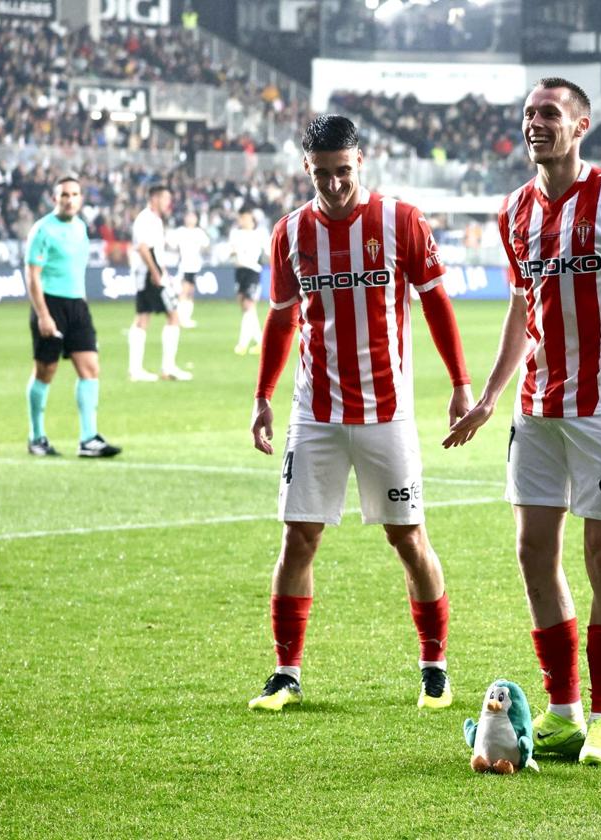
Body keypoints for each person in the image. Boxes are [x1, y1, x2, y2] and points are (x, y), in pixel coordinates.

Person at [443, 78, 601, 767]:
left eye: (548, 114)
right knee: (532, 553)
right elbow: (525, 308)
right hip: (537, 409)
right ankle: (563, 712)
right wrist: (491, 394)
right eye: (528, 115)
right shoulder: (515, 211)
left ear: (580, 125)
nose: (535, 125)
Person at [247, 114, 473, 713]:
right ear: (306, 168)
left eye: (343, 172)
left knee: (408, 537)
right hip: (314, 413)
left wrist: (460, 383)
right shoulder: (291, 232)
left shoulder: (400, 221)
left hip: (387, 412)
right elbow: (280, 318)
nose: (335, 185)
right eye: (322, 174)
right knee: (299, 537)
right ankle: (286, 672)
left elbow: (436, 304)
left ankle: (434, 667)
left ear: (361, 161)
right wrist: (262, 396)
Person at [24, 176, 121, 458]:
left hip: (78, 306)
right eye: (64, 194)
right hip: (50, 305)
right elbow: (32, 275)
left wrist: (82, 306)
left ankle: (88, 439)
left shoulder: (80, 228)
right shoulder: (42, 229)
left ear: (81, 199)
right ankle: (36, 436)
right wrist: (43, 315)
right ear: (55, 199)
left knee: (90, 368)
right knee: (46, 371)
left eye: (75, 194)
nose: (69, 199)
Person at [127, 185, 192, 381]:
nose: (168, 203)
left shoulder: (153, 219)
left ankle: (137, 369)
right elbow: (143, 248)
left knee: (143, 318)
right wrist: (156, 273)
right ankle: (166, 368)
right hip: (149, 274)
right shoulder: (146, 219)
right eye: (165, 199)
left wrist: (163, 273)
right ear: (155, 198)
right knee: (172, 316)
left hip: (151, 273)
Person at [228, 207, 271, 355]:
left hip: (253, 271)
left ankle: (242, 344)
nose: (242, 221)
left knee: (248, 305)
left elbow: (268, 252)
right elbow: (231, 251)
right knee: (245, 307)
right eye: (241, 218)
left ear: (252, 220)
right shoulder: (235, 234)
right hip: (240, 271)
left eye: (245, 218)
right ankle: (261, 342)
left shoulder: (259, 234)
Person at [168, 210, 209, 328]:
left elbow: (206, 245)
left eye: (193, 217)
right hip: (184, 265)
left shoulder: (199, 232)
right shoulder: (180, 232)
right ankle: (180, 318)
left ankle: (187, 318)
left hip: (195, 266)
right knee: (183, 292)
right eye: (189, 217)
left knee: (190, 292)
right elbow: (171, 244)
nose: (191, 219)